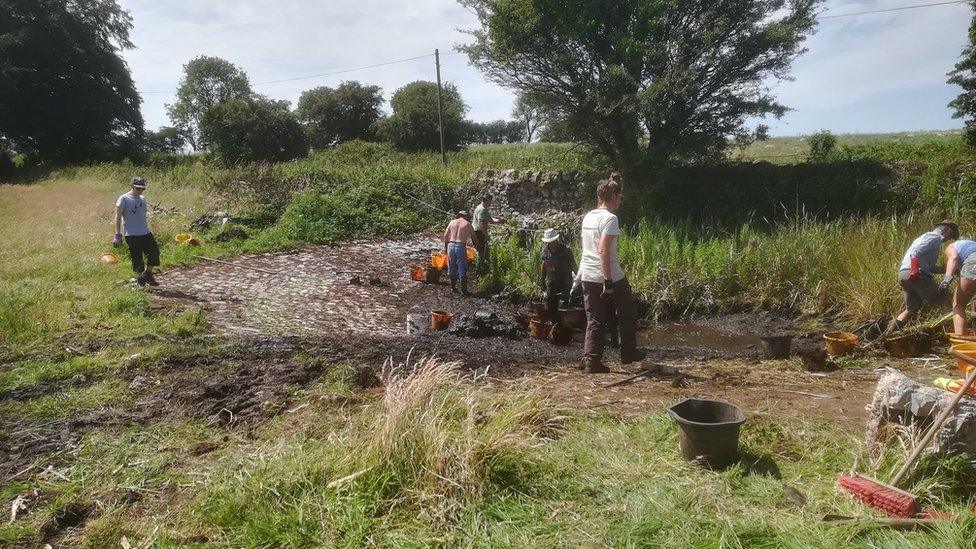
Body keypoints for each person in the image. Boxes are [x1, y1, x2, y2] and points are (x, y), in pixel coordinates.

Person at [578, 179, 646, 373]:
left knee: (595, 319)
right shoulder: (610, 218)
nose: (620, 201)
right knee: (628, 312)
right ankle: (628, 352)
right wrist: (608, 282)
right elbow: (602, 250)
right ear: (614, 197)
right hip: (610, 275)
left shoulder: (588, 216)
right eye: (620, 197)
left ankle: (591, 360)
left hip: (588, 274)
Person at [885, 221, 959, 335]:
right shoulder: (935, 237)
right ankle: (954, 334)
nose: (949, 239)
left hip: (904, 274)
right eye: (951, 235)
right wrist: (914, 270)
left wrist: (949, 269)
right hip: (916, 274)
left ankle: (888, 335)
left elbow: (931, 267)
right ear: (946, 230)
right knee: (945, 300)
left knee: (911, 309)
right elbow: (916, 252)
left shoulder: (926, 237)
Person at [114, 177, 160, 287]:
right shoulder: (123, 198)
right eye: (138, 188)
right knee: (137, 258)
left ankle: (148, 274)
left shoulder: (143, 199)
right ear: (132, 186)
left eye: (142, 189)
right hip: (132, 234)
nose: (140, 191)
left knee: (154, 253)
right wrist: (117, 235)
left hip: (145, 232)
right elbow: (117, 217)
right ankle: (140, 281)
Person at [539, 229, 577, 323]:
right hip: (552, 281)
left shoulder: (566, 250)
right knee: (551, 303)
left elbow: (573, 265)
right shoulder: (546, 250)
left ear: (556, 240)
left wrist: (579, 277)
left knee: (564, 303)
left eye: (552, 242)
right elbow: (544, 264)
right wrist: (542, 280)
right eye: (549, 242)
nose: (550, 244)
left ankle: (564, 326)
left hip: (565, 281)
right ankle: (554, 325)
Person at [946, 238, 976, 334]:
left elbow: (953, 258)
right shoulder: (971, 246)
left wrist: (947, 278)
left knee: (958, 304)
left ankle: (961, 341)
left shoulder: (951, 246)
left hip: (973, 261)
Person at [442, 210, 476, 296]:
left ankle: (453, 287)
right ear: (466, 217)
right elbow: (474, 237)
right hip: (460, 246)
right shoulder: (468, 224)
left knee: (451, 266)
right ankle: (464, 291)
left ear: (459, 215)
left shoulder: (452, 222)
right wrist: (478, 246)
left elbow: (446, 236)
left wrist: (446, 248)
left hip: (450, 245)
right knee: (462, 267)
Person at [472, 194, 499, 270]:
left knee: (481, 250)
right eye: (490, 202)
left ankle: (480, 267)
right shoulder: (482, 209)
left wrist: (499, 221)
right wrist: (486, 234)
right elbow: (480, 223)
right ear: (486, 201)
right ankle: (480, 269)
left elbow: (490, 219)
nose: (491, 204)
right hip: (478, 232)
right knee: (481, 251)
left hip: (478, 231)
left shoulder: (483, 208)